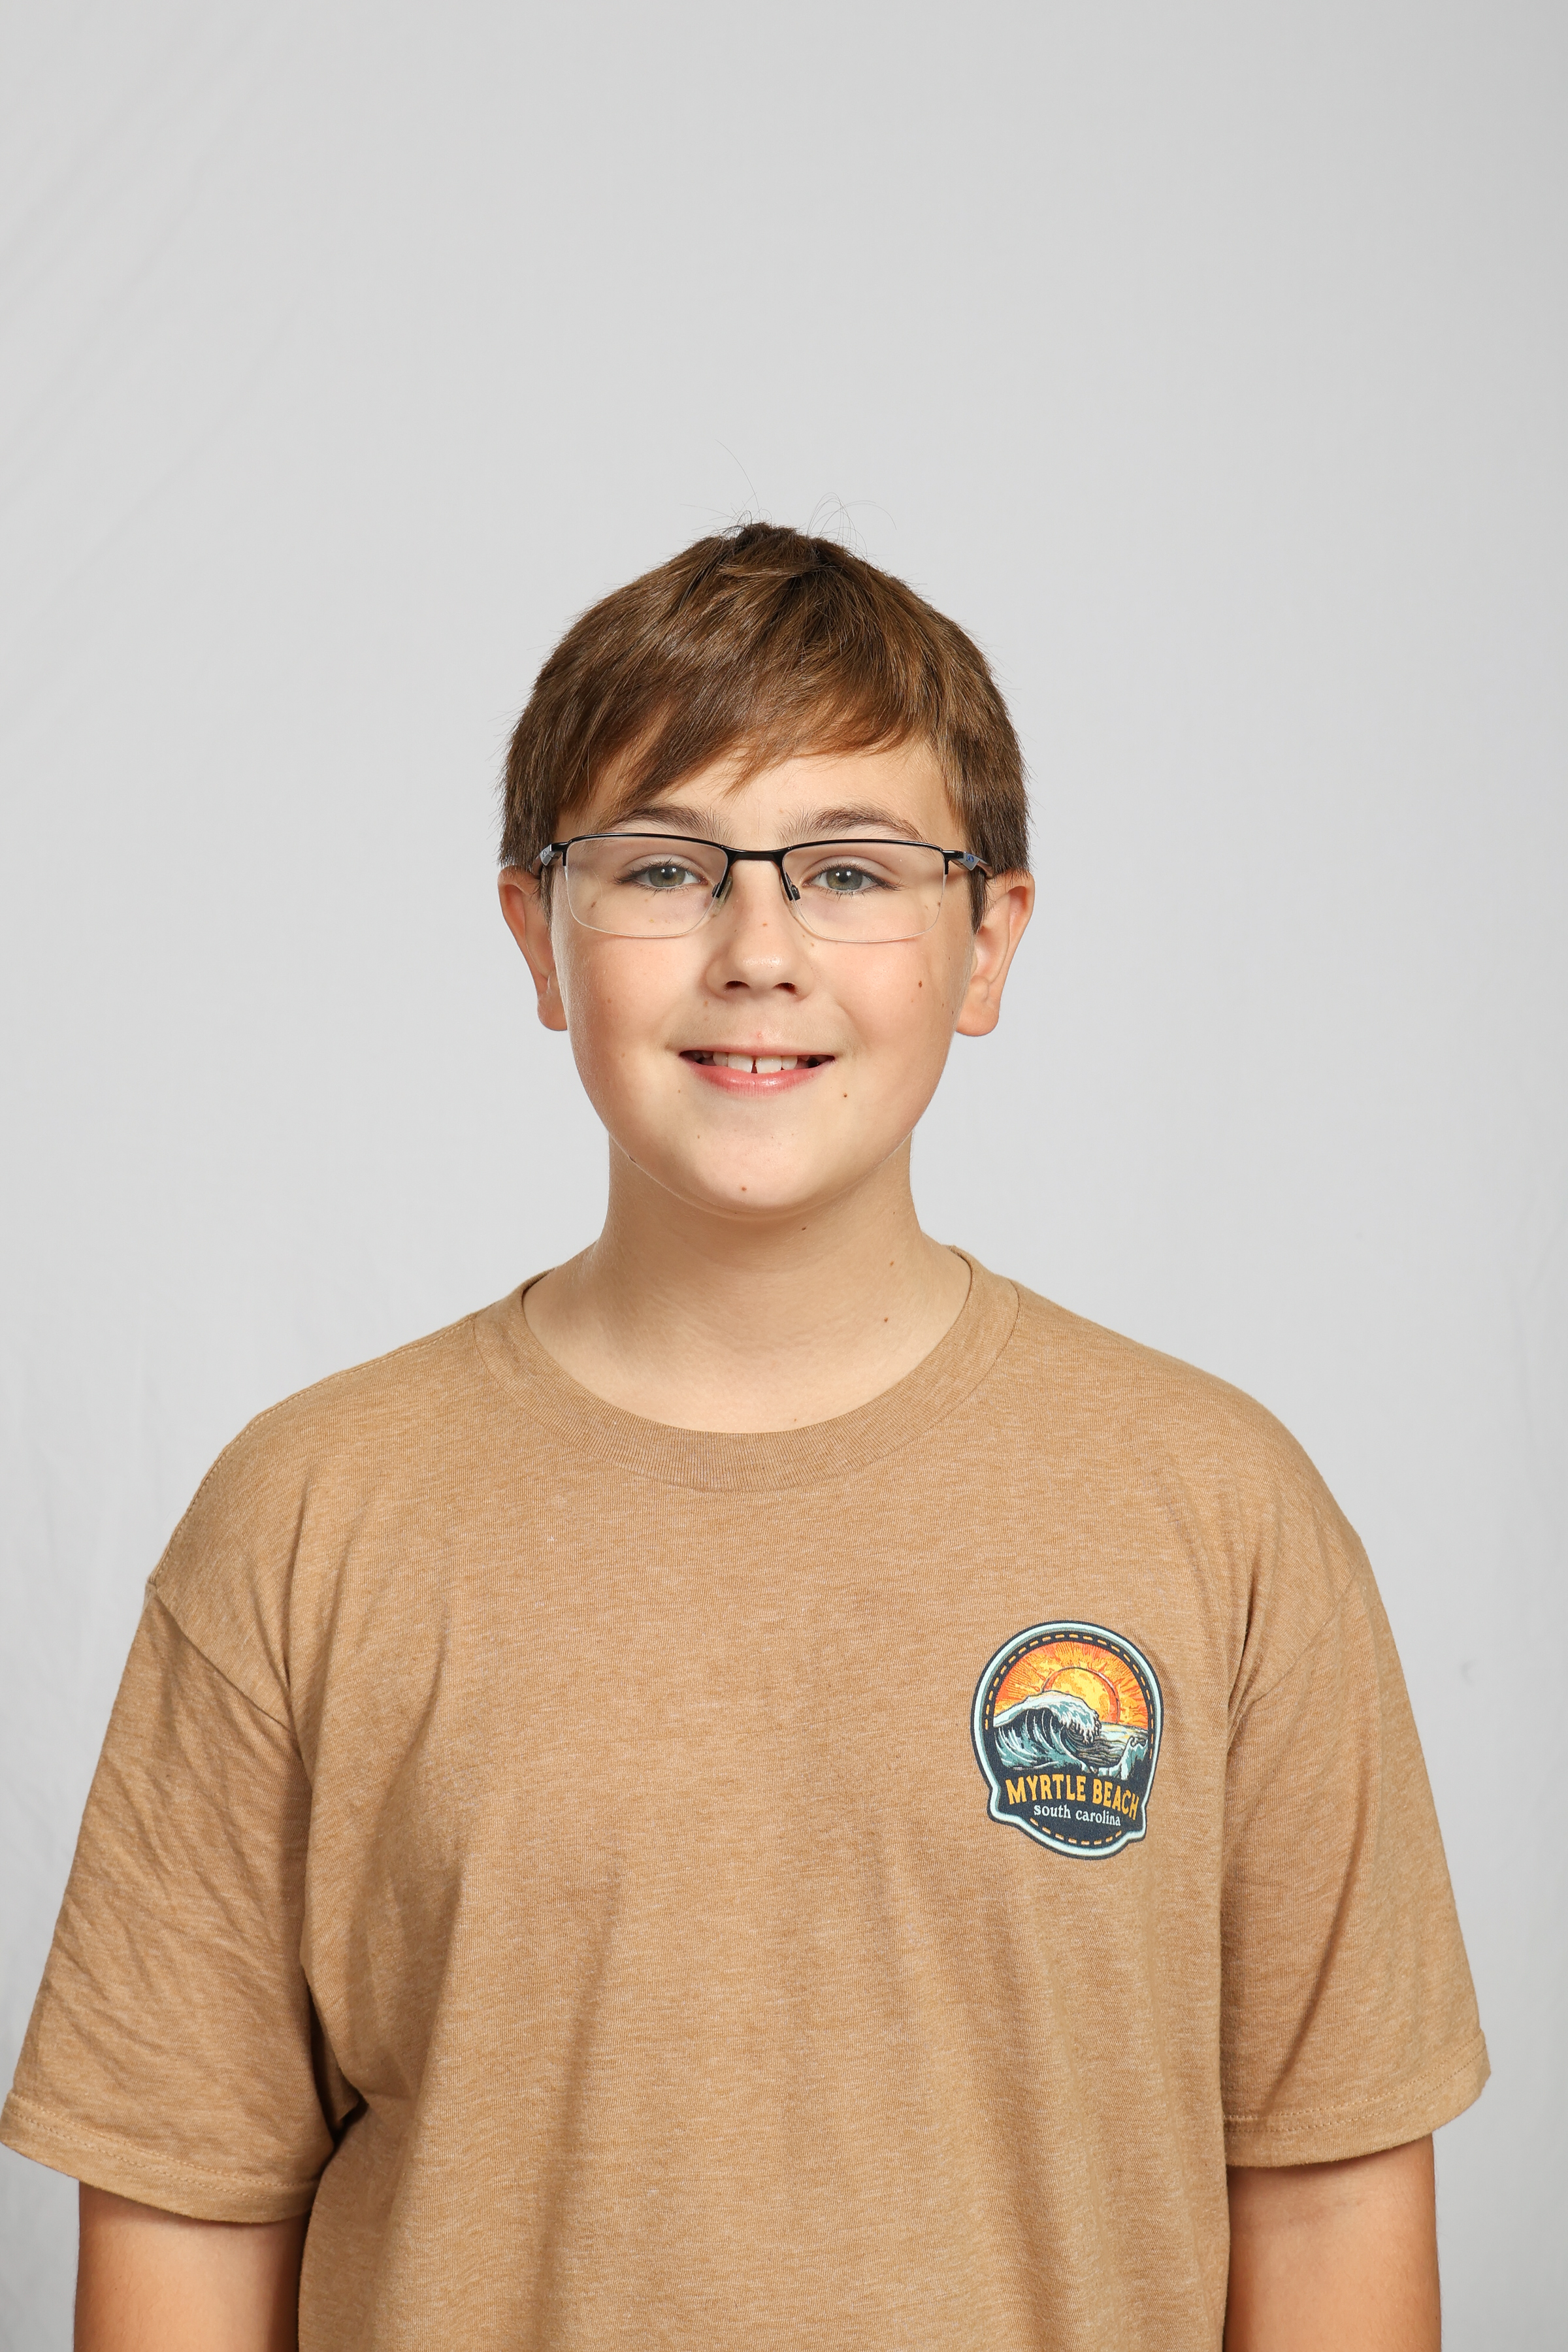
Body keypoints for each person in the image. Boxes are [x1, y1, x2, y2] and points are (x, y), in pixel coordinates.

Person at [2, 525, 1486, 2351]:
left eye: (852, 871)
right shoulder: (307, 1519)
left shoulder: (1222, 1512)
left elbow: (1330, 2210)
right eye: (664, 868)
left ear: (988, 942)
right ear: (538, 937)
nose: (760, 951)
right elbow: (185, 2235)